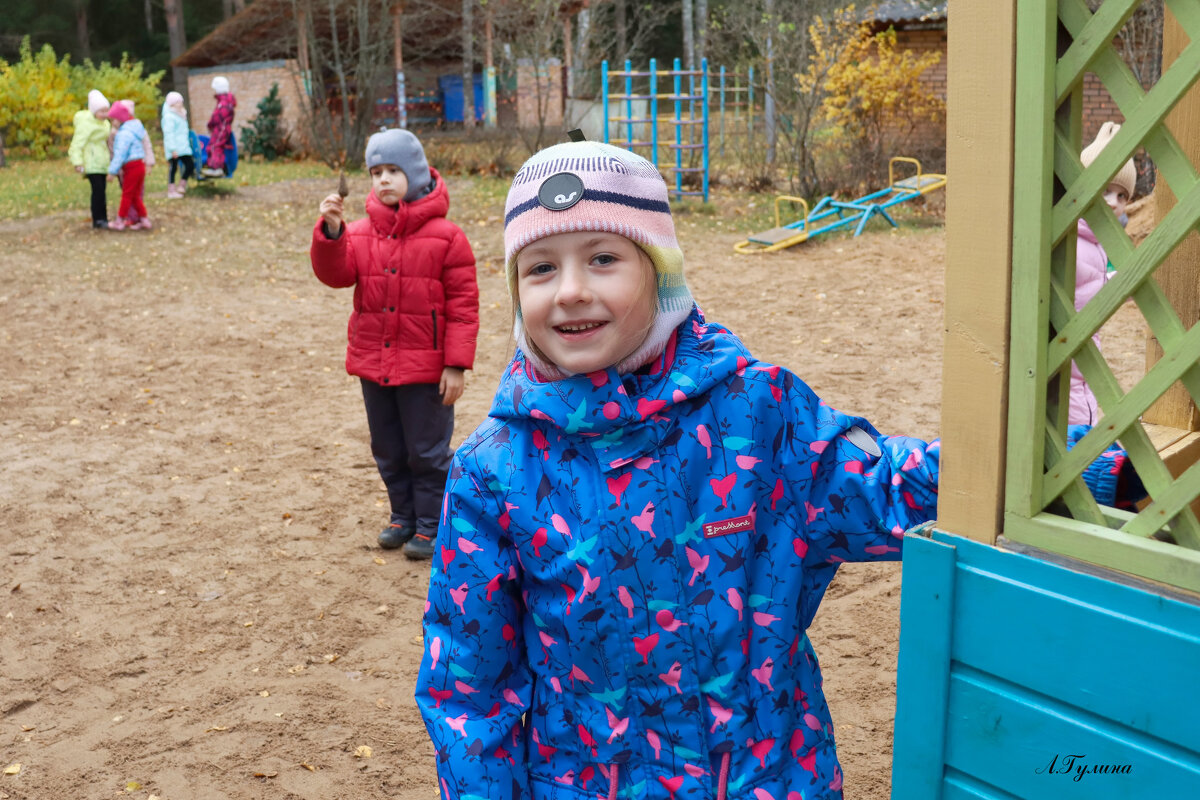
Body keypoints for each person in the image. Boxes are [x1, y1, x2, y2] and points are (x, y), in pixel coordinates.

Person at [414, 140, 940, 799]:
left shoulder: (759, 415)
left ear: (660, 273)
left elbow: (889, 487)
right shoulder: (493, 473)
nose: (571, 290)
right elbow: (468, 689)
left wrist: (1087, 471)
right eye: (540, 268)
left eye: (603, 258)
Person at [310, 129, 479, 559]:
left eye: (392, 171)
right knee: (388, 447)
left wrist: (455, 364)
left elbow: (463, 305)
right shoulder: (360, 233)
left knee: (427, 450)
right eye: (376, 172)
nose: (383, 180)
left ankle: (429, 523)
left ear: (416, 174)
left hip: (427, 369)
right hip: (374, 363)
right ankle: (401, 516)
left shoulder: (447, 236)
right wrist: (331, 233)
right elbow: (336, 275)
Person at [1070, 121, 1136, 426]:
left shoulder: (1097, 239)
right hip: (1068, 342)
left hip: (1084, 341)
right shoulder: (1074, 238)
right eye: (1106, 189)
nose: (1114, 202)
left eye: (1122, 196)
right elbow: (1080, 293)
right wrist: (1118, 284)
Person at [106, 102, 152, 231]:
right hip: (140, 165)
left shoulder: (123, 135)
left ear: (119, 119)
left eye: (113, 119)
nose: (112, 123)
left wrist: (112, 172)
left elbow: (119, 155)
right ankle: (144, 219)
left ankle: (120, 221)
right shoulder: (134, 130)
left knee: (127, 195)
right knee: (135, 195)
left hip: (131, 167)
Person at [69, 90, 111, 229]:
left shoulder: (105, 124)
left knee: (102, 191)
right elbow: (76, 144)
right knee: (97, 191)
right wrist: (77, 162)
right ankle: (97, 219)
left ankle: (104, 217)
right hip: (92, 163)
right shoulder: (86, 125)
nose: (105, 114)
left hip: (103, 161)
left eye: (106, 111)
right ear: (94, 111)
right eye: (101, 111)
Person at [161, 91, 194, 198]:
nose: (180, 104)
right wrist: (172, 149)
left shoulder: (182, 115)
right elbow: (169, 134)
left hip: (183, 147)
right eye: (177, 102)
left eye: (181, 102)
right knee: (173, 168)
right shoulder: (169, 117)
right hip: (174, 148)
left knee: (190, 165)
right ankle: (171, 190)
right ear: (172, 104)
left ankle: (181, 186)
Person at [202, 76, 236, 178]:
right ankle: (214, 166)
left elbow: (218, 117)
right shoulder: (224, 101)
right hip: (220, 129)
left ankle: (217, 168)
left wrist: (210, 123)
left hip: (221, 129)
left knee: (215, 146)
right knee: (213, 146)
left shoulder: (224, 103)